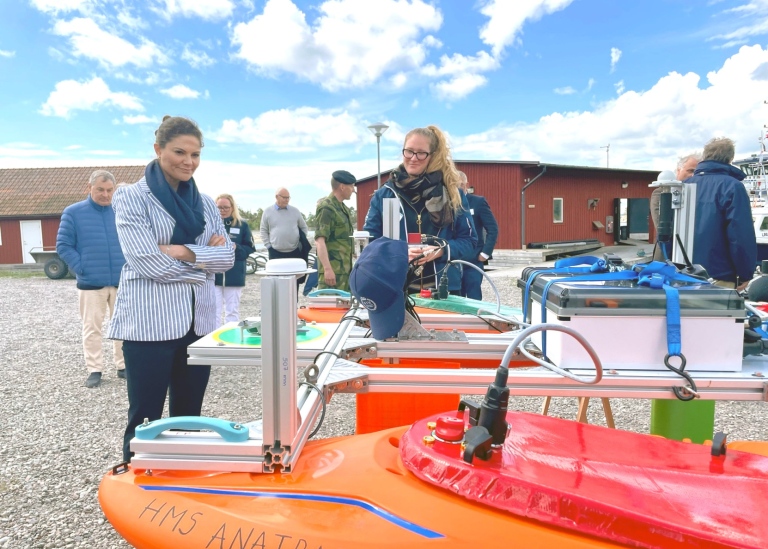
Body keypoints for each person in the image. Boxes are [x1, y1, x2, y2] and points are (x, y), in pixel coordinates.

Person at [107, 115, 234, 462]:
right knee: (145, 416)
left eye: (195, 155)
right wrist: (202, 264)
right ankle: (137, 481)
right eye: (179, 152)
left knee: (189, 414)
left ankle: (182, 477)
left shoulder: (207, 203)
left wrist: (180, 251)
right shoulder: (133, 197)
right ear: (158, 149)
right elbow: (145, 261)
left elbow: (227, 258)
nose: (188, 162)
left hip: (199, 323)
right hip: (150, 324)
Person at [363, 125, 477, 294]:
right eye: (409, 151)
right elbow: (370, 243)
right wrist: (400, 252)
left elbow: (470, 242)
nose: (413, 158)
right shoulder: (386, 196)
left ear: (432, 156)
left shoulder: (453, 195)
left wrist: (441, 250)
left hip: (443, 291)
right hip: (395, 289)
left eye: (421, 153)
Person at [56, 170, 126, 388]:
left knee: (123, 326)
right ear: (89, 188)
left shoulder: (122, 211)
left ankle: (123, 365)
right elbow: (64, 245)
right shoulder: (73, 212)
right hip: (90, 283)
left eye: (109, 190)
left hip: (121, 281)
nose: (105, 195)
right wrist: (81, 268)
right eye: (100, 190)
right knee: (92, 328)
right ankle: (94, 369)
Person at [688, 137, 756, 290]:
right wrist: (745, 274)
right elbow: (739, 235)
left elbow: (666, 234)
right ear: (730, 158)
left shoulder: (684, 187)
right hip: (719, 275)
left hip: (682, 274)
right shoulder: (733, 187)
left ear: (705, 156)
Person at [214, 193, 255, 325]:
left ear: (232, 207)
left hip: (234, 274)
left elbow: (249, 248)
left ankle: (230, 337)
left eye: (225, 207)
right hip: (214, 276)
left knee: (232, 311)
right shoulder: (209, 224)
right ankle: (212, 341)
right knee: (214, 311)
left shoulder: (242, 225)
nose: (223, 210)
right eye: (219, 207)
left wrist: (236, 247)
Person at [650, 153, 701, 260]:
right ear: (678, 170)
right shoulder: (661, 192)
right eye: (690, 171)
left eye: (696, 172)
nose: (693, 175)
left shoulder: (697, 193)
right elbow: (661, 226)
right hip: (668, 253)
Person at [260, 187, 311, 292]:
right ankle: (277, 305)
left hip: (294, 252)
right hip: (275, 253)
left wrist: (300, 242)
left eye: (288, 197)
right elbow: (263, 230)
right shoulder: (268, 212)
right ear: (276, 197)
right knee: (275, 281)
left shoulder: (295, 211)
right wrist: (268, 246)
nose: (287, 200)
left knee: (294, 282)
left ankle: (293, 305)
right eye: (284, 197)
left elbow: (304, 227)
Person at [458, 171, 499, 300]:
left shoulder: (478, 202)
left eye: (459, 185)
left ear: (466, 185)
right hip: (454, 260)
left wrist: (485, 253)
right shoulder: (446, 203)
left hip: (474, 260)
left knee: (474, 299)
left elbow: (493, 229)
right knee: (454, 299)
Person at [315, 170, 357, 291]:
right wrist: (327, 269)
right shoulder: (326, 208)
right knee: (330, 308)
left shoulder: (343, 208)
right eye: (351, 187)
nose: (353, 190)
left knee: (345, 308)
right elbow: (320, 241)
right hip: (332, 273)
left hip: (344, 271)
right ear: (342, 187)